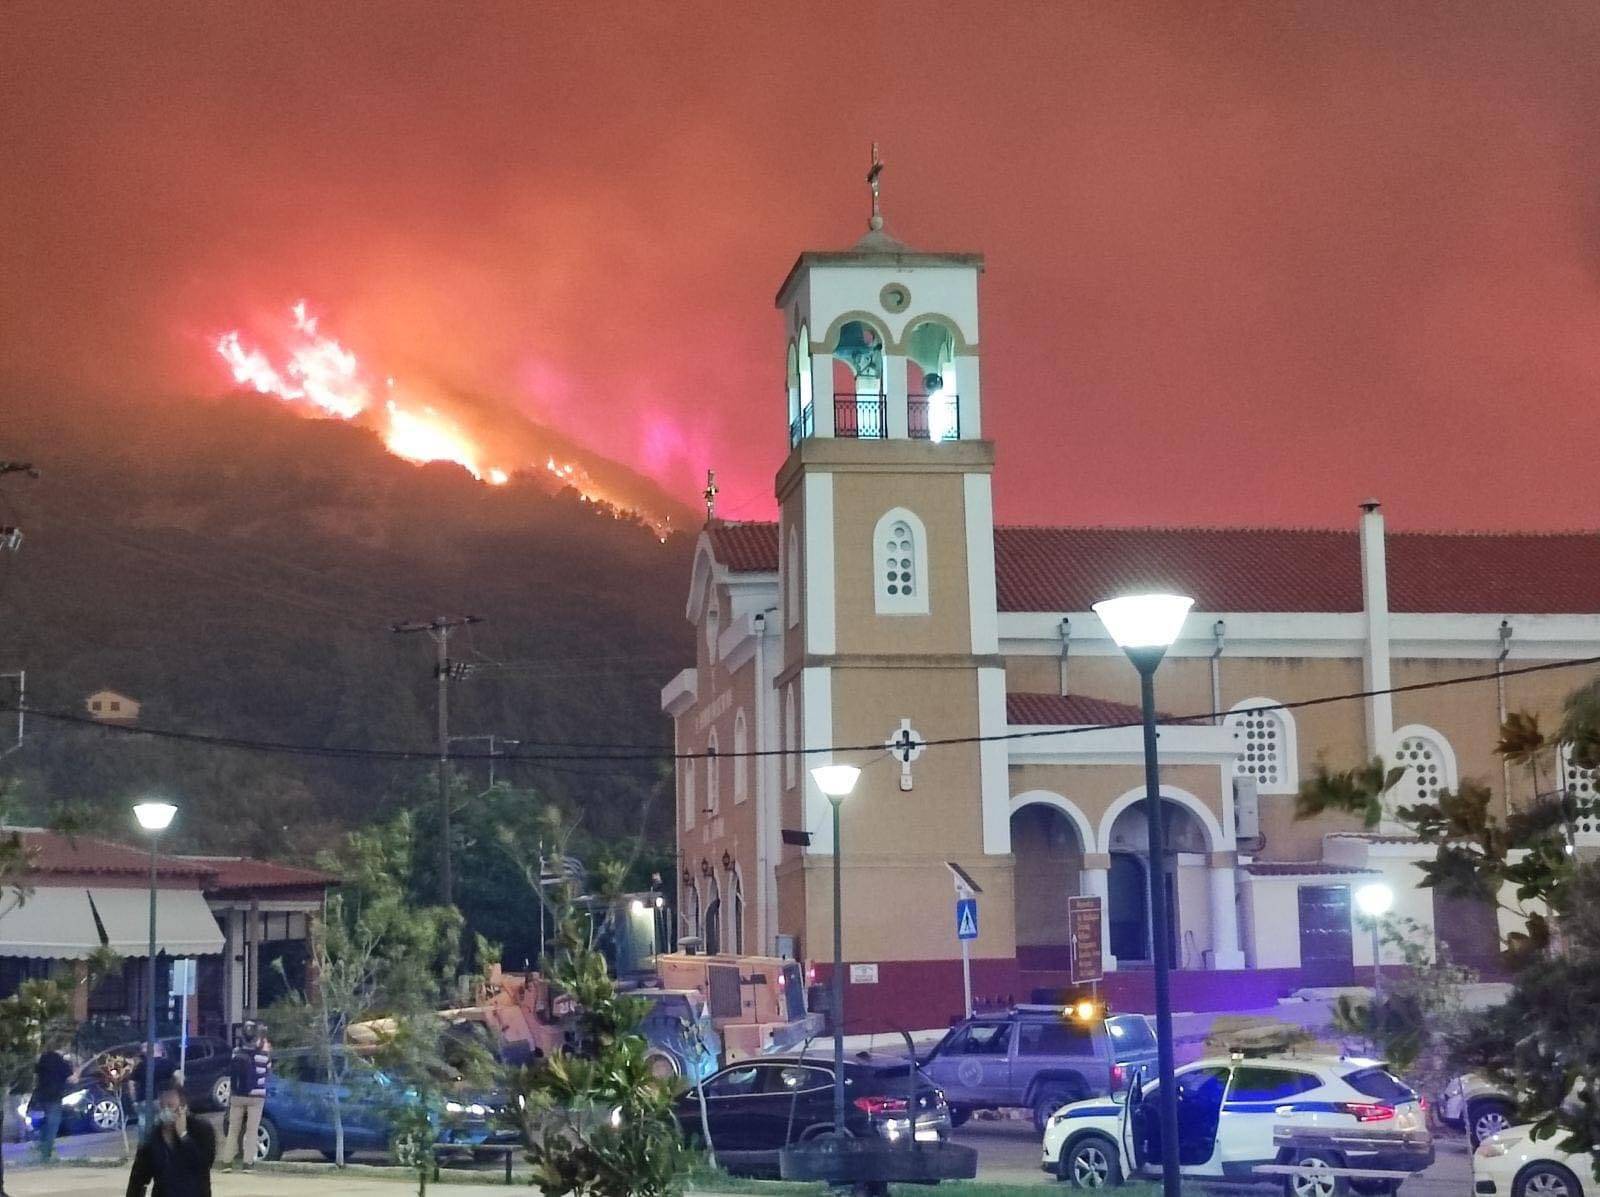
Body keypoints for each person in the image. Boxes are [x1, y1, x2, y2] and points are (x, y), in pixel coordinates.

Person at [125, 1086, 215, 1197]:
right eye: (162, 1106)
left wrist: (184, 1136)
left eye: (170, 1105)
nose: (166, 1111)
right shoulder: (154, 1135)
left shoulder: (201, 1128)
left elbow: (202, 1165)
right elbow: (138, 1177)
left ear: (183, 1107)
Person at [217, 1024, 271, 1171]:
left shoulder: (235, 1053)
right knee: (251, 1129)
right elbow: (267, 1073)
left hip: (237, 1095)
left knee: (234, 1129)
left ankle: (227, 1162)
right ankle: (248, 1163)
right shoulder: (263, 1056)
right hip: (256, 1097)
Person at [32, 1041, 73, 1162]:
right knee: (52, 1125)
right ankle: (46, 1156)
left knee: (45, 1126)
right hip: (54, 1097)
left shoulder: (43, 1059)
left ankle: (41, 1150)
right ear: (63, 1046)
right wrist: (77, 1071)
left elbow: (36, 1075)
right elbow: (72, 1079)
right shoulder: (61, 1062)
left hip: (41, 1096)